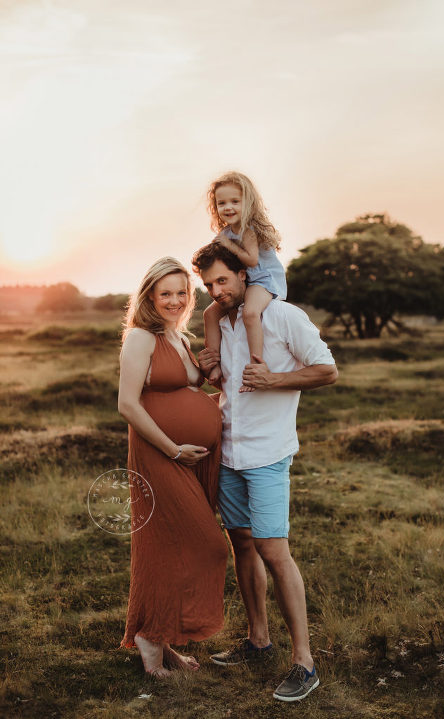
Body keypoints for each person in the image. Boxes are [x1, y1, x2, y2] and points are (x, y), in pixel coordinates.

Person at [191, 243, 338, 702]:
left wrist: (276, 379)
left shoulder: (283, 316)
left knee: (275, 552)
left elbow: (327, 371)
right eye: (209, 285)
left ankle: (304, 662)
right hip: (229, 452)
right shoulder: (224, 321)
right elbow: (227, 387)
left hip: (269, 454)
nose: (216, 291)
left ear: (244, 274)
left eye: (223, 281)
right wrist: (208, 369)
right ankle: (258, 641)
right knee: (242, 544)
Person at [118, 257, 228, 678]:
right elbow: (127, 404)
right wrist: (171, 448)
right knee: (205, 545)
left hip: (187, 456)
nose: (175, 300)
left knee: (172, 547)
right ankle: (148, 638)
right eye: (166, 293)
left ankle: (163, 643)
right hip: (158, 454)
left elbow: (188, 391)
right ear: (149, 295)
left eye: (182, 292)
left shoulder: (179, 338)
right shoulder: (141, 338)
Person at [203, 171, 287, 392]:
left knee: (250, 313)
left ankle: (256, 366)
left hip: (263, 280)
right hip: (245, 281)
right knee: (209, 314)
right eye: (222, 203)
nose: (228, 207)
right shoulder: (226, 233)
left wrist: (227, 244)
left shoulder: (249, 232)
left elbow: (251, 260)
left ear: (247, 202)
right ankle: (215, 365)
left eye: (234, 201)